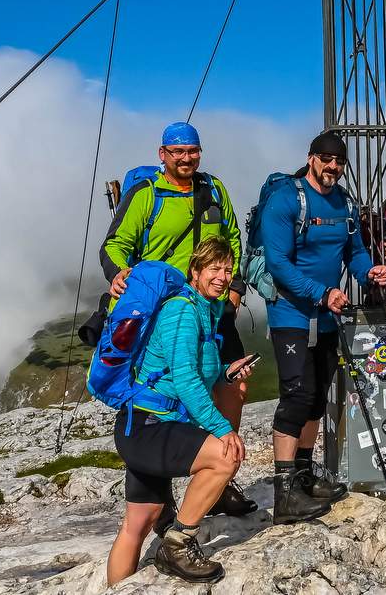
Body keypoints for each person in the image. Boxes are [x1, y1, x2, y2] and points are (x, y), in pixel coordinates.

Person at [102, 121, 254, 517]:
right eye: (178, 152)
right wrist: (118, 272)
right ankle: (160, 488)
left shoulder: (214, 189)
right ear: (163, 154)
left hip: (213, 306)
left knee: (234, 385)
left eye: (192, 151)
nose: (186, 158)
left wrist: (234, 287)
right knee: (164, 389)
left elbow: (232, 239)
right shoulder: (146, 195)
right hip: (164, 312)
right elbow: (116, 243)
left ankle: (219, 476)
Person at [107, 237, 258, 584]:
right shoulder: (183, 311)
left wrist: (226, 373)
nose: (222, 277)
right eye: (214, 269)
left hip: (143, 426)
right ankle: (177, 545)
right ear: (195, 270)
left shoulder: (204, 309)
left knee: (138, 523)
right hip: (150, 427)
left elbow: (192, 372)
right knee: (225, 457)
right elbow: (187, 381)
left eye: (227, 270)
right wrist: (223, 429)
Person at [260, 130, 386, 523]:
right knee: (297, 395)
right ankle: (284, 495)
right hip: (291, 313)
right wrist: (322, 293)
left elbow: (355, 251)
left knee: (317, 397)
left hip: (328, 316)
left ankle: (302, 476)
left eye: (339, 161)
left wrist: (369, 272)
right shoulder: (287, 199)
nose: (333, 167)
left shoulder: (344, 202)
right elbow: (278, 263)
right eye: (326, 159)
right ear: (311, 158)